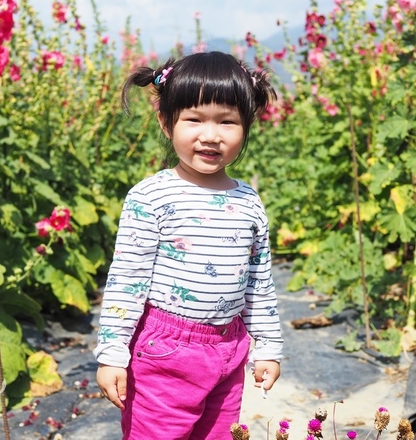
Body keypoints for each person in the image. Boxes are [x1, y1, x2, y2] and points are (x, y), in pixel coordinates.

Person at [95, 52, 283, 439]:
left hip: (229, 350)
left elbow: (259, 283)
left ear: (246, 127)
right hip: (165, 353)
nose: (210, 135)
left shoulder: (248, 201)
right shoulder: (151, 196)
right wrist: (112, 354)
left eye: (227, 122)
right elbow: (127, 281)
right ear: (167, 122)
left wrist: (266, 347)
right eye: (194, 119)